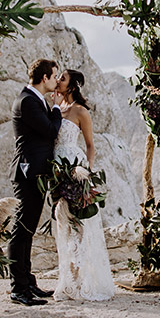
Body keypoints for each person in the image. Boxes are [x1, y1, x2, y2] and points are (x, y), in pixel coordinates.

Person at [51, 69, 116, 301]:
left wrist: (86, 172)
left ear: (73, 85)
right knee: (62, 221)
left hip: (75, 169)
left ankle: (78, 282)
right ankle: (66, 279)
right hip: (56, 169)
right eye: (57, 77)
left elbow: (90, 145)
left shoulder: (80, 111)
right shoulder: (56, 108)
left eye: (62, 78)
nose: (57, 81)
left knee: (77, 224)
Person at [8, 58, 63, 306]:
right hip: (27, 172)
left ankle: (28, 283)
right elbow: (51, 130)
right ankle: (18, 289)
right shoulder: (27, 101)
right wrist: (57, 109)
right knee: (21, 231)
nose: (56, 81)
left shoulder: (34, 99)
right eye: (54, 76)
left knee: (28, 230)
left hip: (36, 173)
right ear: (44, 78)